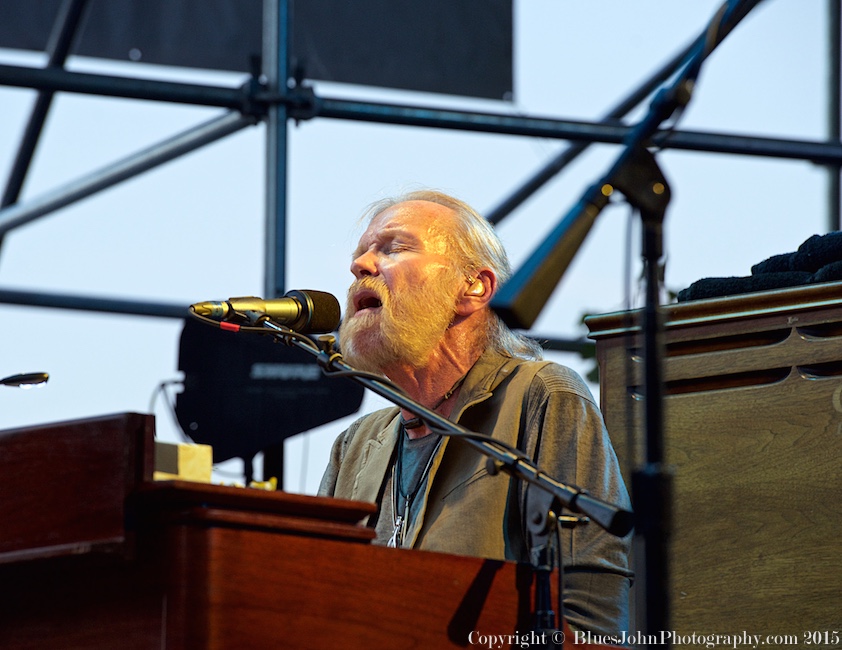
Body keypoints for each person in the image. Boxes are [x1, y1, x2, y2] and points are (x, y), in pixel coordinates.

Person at [318, 189, 633, 635]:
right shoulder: (355, 444)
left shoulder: (542, 393)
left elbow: (590, 605)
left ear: (474, 287)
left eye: (393, 247)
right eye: (361, 254)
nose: (360, 266)